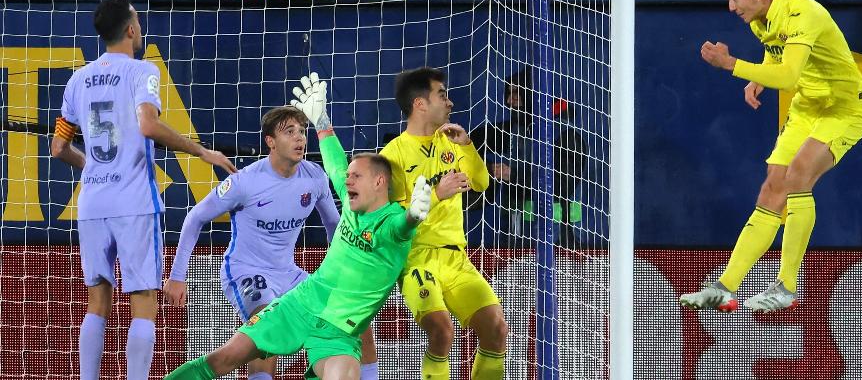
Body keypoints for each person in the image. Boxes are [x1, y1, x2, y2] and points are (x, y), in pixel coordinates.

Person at [164, 73, 432, 380]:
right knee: (259, 343)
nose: (300, 138)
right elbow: (195, 217)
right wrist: (177, 275)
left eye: (302, 131)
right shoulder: (246, 182)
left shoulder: (314, 176)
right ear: (271, 142)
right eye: (289, 132)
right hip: (248, 269)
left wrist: (346, 272)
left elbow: (337, 223)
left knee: (361, 328)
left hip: (289, 274)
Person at [50, 0, 237, 380]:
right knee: (143, 300)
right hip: (134, 201)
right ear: (131, 30)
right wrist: (200, 150)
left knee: (97, 301)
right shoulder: (142, 72)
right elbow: (148, 125)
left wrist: (91, 168)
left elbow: (58, 147)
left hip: (93, 202)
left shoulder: (77, 80)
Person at [679, 0, 862, 313]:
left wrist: (733, 66)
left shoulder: (803, 13)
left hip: (844, 108)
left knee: (798, 176)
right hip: (807, 105)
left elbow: (787, 76)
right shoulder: (760, 19)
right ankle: (724, 287)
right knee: (772, 187)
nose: (731, 7)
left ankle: (786, 287)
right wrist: (759, 76)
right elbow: (776, 56)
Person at [380, 67, 507, 380]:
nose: (450, 103)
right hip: (417, 258)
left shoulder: (451, 142)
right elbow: (390, 218)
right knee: (442, 331)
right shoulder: (392, 154)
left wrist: (466, 145)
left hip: (456, 258)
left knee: (497, 328)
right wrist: (436, 194)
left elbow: (480, 183)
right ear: (420, 104)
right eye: (442, 95)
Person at [469, 67, 586, 248]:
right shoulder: (512, 131)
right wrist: (485, 171)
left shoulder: (565, 134)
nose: (509, 101)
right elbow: (472, 141)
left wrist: (512, 175)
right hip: (515, 241)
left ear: (533, 93)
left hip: (558, 243)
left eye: (516, 93)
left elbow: (563, 184)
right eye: (508, 93)